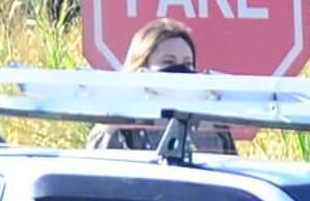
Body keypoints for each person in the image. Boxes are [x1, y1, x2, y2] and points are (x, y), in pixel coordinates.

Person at [92, 14, 238, 155]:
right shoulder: (119, 129)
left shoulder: (212, 128)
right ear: (142, 66)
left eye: (187, 64)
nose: (181, 71)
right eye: (168, 62)